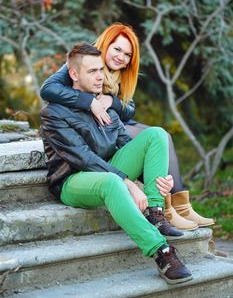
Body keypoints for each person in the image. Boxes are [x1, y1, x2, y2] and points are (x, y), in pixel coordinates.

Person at [40, 43, 193, 284]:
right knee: (113, 182)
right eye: (92, 72)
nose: (100, 76)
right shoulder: (54, 113)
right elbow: (85, 159)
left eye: (101, 69)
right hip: (73, 179)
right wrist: (128, 183)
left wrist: (156, 180)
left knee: (156, 134)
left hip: (109, 167)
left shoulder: (104, 104)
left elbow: (125, 144)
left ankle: (154, 211)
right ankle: (161, 251)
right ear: (74, 74)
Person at [40, 23, 214, 231]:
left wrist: (110, 101)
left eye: (127, 54)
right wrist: (90, 102)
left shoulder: (120, 74)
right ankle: (168, 208)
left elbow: (129, 108)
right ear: (106, 45)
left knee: (161, 136)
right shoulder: (85, 62)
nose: (121, 57)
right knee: (156, 140)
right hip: (90, 123)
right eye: (117, 49)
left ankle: (178, 204)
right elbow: (48, 89)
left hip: (114, 123)